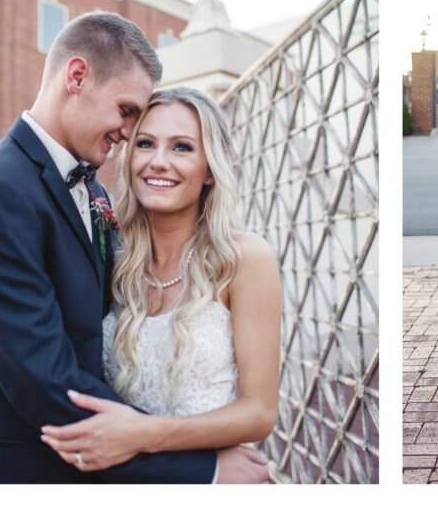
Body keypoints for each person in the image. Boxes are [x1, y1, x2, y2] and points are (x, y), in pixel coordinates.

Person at [0, 12, 268, 483]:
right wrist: (203, 469)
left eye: (182, 147)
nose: (130, 135)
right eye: (129, 112)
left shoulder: (94, 196)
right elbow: (45, 381)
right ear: (76, 76)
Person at [39, 87, 281, 481]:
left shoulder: (244, 258)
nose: (159, 162)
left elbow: (259, 413)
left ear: (209, 169)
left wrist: (142, 434)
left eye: (182, 147)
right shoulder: (109, 256)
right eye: (146, 144)